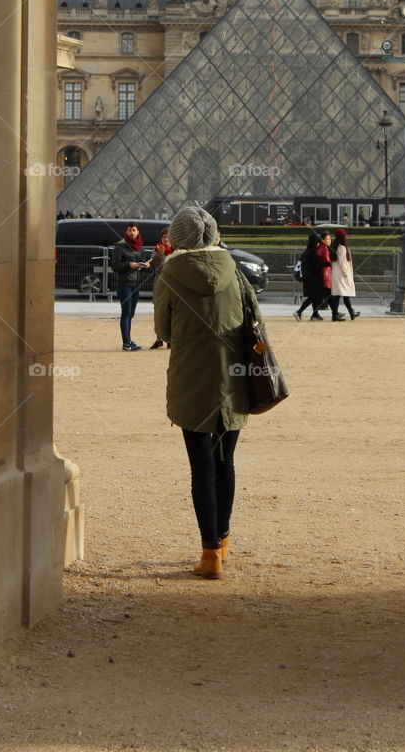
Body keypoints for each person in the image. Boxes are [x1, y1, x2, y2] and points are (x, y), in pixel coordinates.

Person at [154, 205, 259, 580]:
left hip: (192, 379)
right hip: (234, 378)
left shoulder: (169, 274)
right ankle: (225, 542)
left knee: (201, 469)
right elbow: (254, 319)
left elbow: (163, 329)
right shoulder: (235, 270)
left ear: (178, 239)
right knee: (225, 462)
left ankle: (209, 553)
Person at [110, 223, 151, 351]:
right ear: (126, 232)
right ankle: (126, 343)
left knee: (131, 313)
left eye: (134, 230)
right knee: (126, 312)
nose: (132, 232)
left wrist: (146, 267)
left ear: (138, 232)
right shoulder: (120, 247)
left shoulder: (140, 249)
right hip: (124, 284)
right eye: (129, 230)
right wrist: (128, 265)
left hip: (136, 284)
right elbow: (115, 266)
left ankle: (128, 341)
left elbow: (142, 268)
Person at [149, 227, 173, 348]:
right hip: (160, 284)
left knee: (171, 311)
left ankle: (170, 339)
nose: (166, 239)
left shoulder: (176, 250)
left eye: (168, 236)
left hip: (173, 285)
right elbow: (158, 268)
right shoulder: (156, 250)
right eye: (164, 237)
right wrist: (161, 254)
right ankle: (159, 338)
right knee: (159, 311)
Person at [329, 228, 361, 321]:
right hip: (342, 274)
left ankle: (350, 312)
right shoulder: (342, 248)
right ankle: (336, 315)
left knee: (340, 294)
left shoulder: (334, 247)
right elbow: (343, 263)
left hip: (336, 273)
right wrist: (346, 273)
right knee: (342, 294)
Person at [293, 229, 323, 320]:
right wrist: (326, 264)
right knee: (313, 297)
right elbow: (317, 265)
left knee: (314, 296)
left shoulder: (307, 251)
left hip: (308, 278)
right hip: (313, 278)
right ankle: (299, 312)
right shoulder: (313, 252)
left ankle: (315, 314)